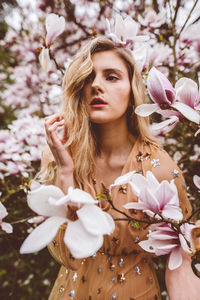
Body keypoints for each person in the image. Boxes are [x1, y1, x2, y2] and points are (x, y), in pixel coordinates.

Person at [39, 37, 199, 299]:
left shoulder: (159, 170)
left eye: (111, 77)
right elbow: (69, 257)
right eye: (88, 77)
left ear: (132, 90)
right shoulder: (63, 157)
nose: (96, 85)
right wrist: (65, 171)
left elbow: (180, 268)